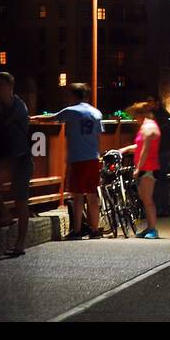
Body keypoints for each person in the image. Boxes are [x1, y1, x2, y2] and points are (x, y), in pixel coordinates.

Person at [0, 72, 32, 257]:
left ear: (10, 87)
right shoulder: (0, 107)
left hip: (21, 159)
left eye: (0, 86)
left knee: (21, 200)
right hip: (7, 160)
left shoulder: (18, 107)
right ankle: (5, 214)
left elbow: (4, 123)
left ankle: (20, 245)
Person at [55, 83, 103, 239]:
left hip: (77, 158)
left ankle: (77, 230)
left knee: (77, 196)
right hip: (93, 157)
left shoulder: (71, 111)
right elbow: (99, 134)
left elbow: (53, 118)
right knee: (92, 195)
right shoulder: (96, 113)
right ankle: (95, 230)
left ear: (74, 96)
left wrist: (31, 118)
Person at [123, 100, 161, 239]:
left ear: (140, 115)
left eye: (135, 116)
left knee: (147, 199)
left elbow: (145, 149)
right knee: (145, 199)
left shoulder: (147, 128)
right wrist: (126, 149)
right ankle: (149, 228)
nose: (134, 119)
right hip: (147, 167)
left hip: (148, 167)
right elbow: (140, 147)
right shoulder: (147, 126)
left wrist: (138, 168)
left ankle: (153, 229)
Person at [152, 102, 170, 217]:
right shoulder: (165, 115)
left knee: (160, 179)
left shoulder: (157, 117)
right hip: (165, 150)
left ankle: (163, 207)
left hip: (162, 151)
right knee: (162, 179)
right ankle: (166, 206)